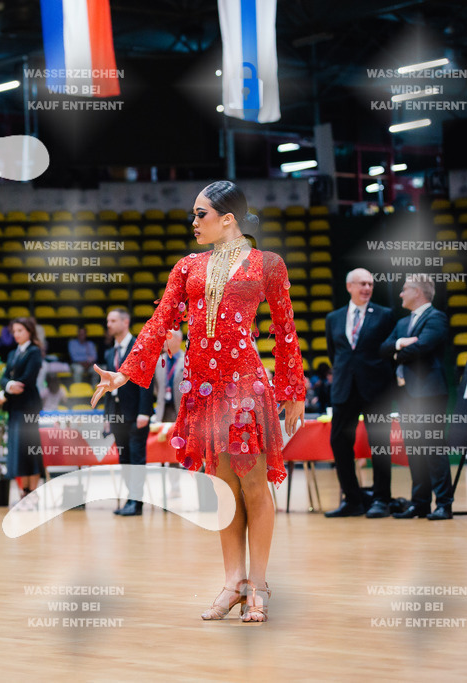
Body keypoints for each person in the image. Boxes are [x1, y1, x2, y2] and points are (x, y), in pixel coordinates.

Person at [91, 181, 305, 623]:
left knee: (252, 485)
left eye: (200, 214)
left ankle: (259, 584)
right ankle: (233, 583)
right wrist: (125, 372)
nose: (193, 222)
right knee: (224, 490)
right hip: (202, 388)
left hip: (245, 384)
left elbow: (285, 332)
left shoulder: (268, 264)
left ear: (228, 219)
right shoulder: (187, 266)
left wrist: (293, 392)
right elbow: (158, 322)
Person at [323, 268, 397, 518]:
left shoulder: (386, 315)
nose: (367, 288)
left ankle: (381, 500)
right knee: (339, 444)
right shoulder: (334, 318)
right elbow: (336, 354)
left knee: (380, 445)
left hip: (376, 390)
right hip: (344, 389)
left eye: (370, 284)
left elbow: (390, 352)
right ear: (349, 286)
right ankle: (352, 500)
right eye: (362, 284)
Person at [381, 275, 453, 520]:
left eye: (404, 290)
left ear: (418, 291)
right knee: (414, 450)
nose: (400, 294)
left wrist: (396, 352)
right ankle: (420, 503)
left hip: (429, 394)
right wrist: (401, 343)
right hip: (406, 394)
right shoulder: (403, 324)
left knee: (433, 448)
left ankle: (444, 504)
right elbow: (384, 347)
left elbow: (423, 347)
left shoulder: (437, 317)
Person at [103, 307, 155, 517]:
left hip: (136, 414)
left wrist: (145, 411)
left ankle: (137, 502)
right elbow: (106, 386)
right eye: (108, 321)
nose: (109, 324)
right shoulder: (110, 352)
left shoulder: (139, 346)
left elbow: (146, 380)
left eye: (113, 320)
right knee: (123, 459)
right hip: (117, 414)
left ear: (125, 322)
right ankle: (130, 499)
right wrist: (107, 416)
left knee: (136, 459)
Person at [0, 316, 44, 510]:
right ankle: (24, 493)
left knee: (30, 449)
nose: (16, 334)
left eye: (20, 330)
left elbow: (27, 380)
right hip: (15, 407)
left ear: (29, 331)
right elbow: (5, 378)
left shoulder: (34, 351)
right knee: (19, 451)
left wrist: (10, 386)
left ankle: (32, 494)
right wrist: (9, 386)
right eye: (14, 331)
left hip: (28, 407)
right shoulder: (13, 353)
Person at [154, 329, 185, 422]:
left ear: (179, 339)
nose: (164, 341)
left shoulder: (187, 361)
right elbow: (155, 388)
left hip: (181, 410)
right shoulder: (158, 361)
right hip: (162, 411)